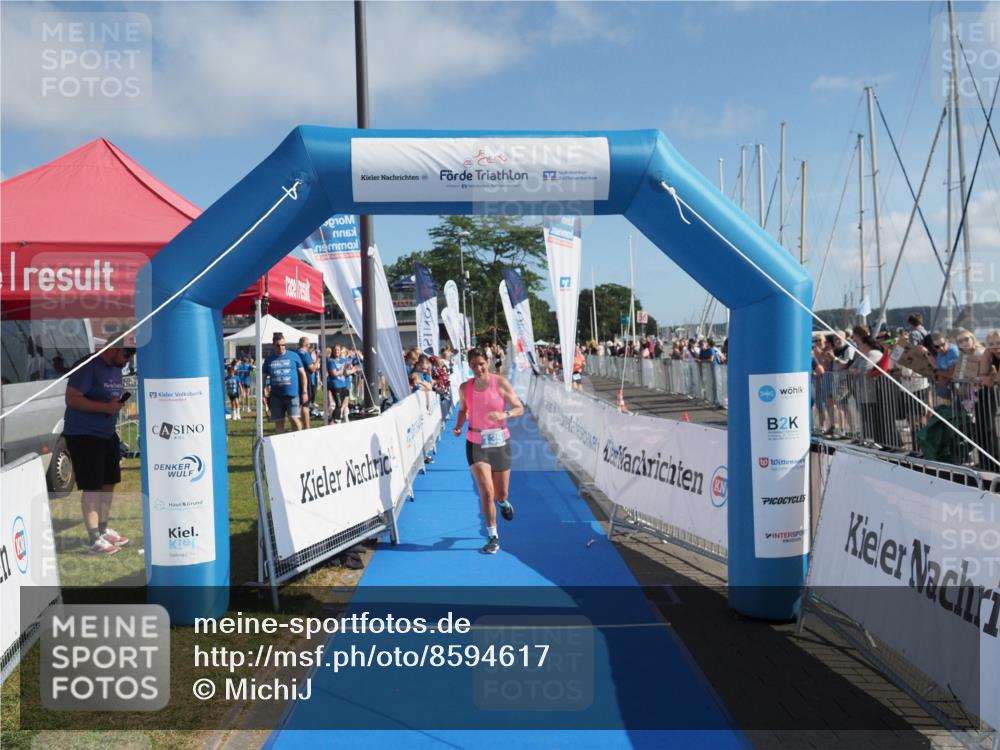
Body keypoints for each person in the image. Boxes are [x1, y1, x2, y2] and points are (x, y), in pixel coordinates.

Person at [63, 343, 135, 555]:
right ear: (114, 348)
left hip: (107, 433)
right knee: (92, 486)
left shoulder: (115, 367)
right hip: (84, 434)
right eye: (127, 354)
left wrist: (113, 406)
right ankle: (94, 538)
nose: (128, 360)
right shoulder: (89, 366)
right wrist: (105, 407)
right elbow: (72, 398)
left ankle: (103, 530)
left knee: (109, 482)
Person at [452, 348, 525, 555]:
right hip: (475, 442)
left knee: (500, 493)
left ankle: (503, 503)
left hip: (500, 441)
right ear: (469, 366)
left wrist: (504, 414)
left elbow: (519, 407)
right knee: (487, 491)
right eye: (474, 365)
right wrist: (458, 426)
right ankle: (493, 536)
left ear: (488, 362)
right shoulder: (465, 387)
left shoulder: (500, 382)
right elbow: (463, 410)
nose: (479, 368)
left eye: (481, 363)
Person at [262, 333, 307, 434]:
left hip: (292, 395)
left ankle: (299, 439)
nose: (281, 347)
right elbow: (263, 376)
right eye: (278, 345)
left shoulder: (294, 356)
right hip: (276, 396)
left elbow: (303, 374)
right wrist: (263, 390)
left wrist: (304, 392)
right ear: (273, 345)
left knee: (294, 418)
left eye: (283, 345)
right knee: (279, 423)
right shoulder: (269, 359)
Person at [296, 337, 318, 429]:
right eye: (309, 343)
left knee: (297, 404)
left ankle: (298, 426)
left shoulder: (295, 352)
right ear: (306, 344)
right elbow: (312, 368)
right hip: (305, 380)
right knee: (305, 404)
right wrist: (317, 361)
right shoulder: (305, 354)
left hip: (296, 379)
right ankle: (307, 427)